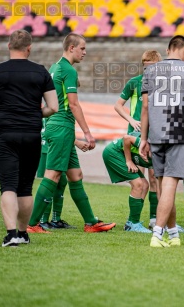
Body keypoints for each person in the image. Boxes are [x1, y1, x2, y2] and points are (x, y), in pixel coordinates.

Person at [27, 33, 116, 234]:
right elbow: (73, 104)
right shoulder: (68, 70)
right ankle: (32, 224)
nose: (85, 52)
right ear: (71, 48)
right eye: (82, 48)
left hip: (57, 126)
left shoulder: (55, 67)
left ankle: (91, 222)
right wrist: (87, 133)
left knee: (76, 175)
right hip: (62, 127)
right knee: (53, 174)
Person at [0, 30, 58, 247]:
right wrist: (33, 113)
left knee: (8, 187)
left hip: (6, 135)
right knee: (25, 187)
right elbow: (53, 107)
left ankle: (11, 233)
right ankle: (23, 233)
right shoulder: (41, 72)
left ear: (8, 45)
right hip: (32, 135)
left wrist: (2, 110)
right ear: (29, 48)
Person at [139, 35, 184, 248]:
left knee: (163, 185)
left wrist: (143, 138)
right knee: (169, 185)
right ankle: (157, 234)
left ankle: (173, 233)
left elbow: (145, 108)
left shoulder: (150, 71)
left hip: (156, 133)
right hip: (180, 133)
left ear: (168, 50)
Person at [114, 50, 161, 229]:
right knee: (139, 178)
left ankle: (154, 218)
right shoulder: (135, 82)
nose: (147, 69)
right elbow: (118, 105)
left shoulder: (161, 85)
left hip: (154, 135)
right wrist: (131, 120)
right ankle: (135, 220)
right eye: (145, 65)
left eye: (151, 66)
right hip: (135, 136)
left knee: (155, 177)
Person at [36, 117, 90, 230]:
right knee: (51, 181)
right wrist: (77, 142)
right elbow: (55, 130)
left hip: (58, 144)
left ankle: (56, 220)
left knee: (61, 181)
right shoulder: (53, 108)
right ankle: (42, 220)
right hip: (49, 147)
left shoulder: (54, 106)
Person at [102, 132, 153, 233]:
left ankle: (132, 222)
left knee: (145, 185)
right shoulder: (144, 143)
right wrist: (129, 160)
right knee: (138, 184)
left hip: (119, 154)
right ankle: (133, 224)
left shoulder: (162, 158)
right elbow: (126, 138)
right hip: (113, 152)